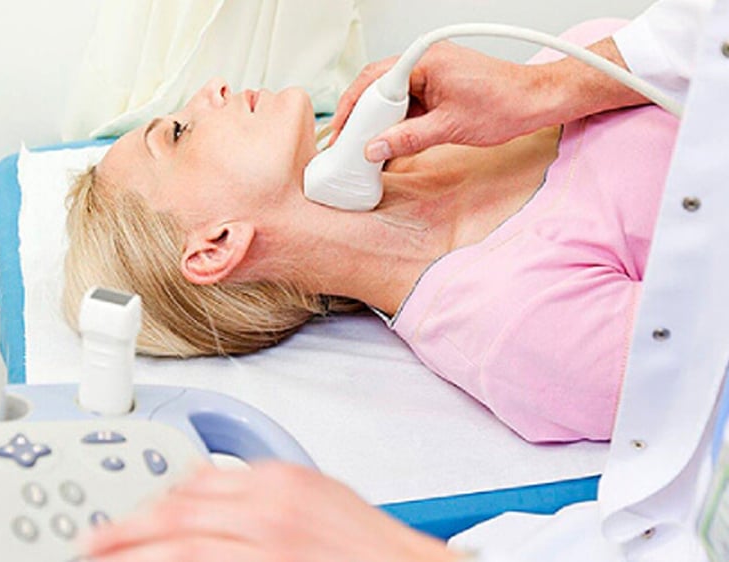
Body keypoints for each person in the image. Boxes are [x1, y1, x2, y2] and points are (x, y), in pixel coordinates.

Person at [75, 0, 725, 558]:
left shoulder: (452, 114)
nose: (211, 88)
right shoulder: (516, 326)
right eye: (179, 133)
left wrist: (547, 85)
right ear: (216, 245)